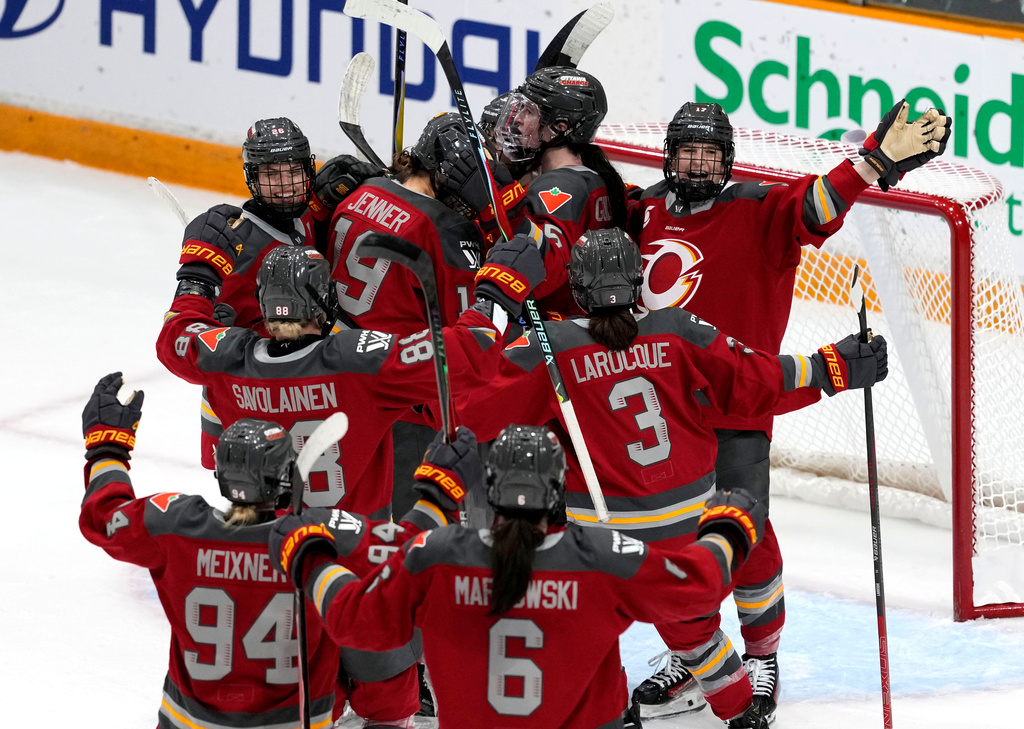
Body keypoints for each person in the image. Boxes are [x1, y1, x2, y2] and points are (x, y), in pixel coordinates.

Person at [451, 228, 888, 728]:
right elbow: (756, 381)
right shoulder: (676, 329)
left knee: (583, 638)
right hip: (689, 531)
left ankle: (603, 710)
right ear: (638, 281)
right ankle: (747, 705)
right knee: (704, 620)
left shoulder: (548, 348)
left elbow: (468, 406)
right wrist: (831, 367)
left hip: (600, 544)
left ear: (576, 287)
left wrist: (494, 302)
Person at [627, 99, 950, 723]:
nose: (696, 164)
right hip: (659, 410)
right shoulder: (643, 211)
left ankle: (760, 656)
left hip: (738, 404)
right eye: (687, 151)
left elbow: (816, 205)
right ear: (669, 154)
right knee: (668, 538)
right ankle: (695, 656)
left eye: (709, 153)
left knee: (743, 538)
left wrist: (873, 162)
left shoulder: (756, 209)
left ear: (728, 161)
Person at [268, 422, 770, 729]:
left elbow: (357, 621)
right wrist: (727, 530)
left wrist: (312, 557)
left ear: (489, 486)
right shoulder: (598, 556)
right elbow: (695, 588)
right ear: (556, 489)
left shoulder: (437, 556)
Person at [78, 376, 418, 728]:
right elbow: (414, 549)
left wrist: (107, 448)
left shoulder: (176, 525)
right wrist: (440, 489)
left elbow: (103, 517)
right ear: (286, 476)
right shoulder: (320, 538)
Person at [175, 116, 377, 468]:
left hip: (301, 389)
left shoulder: (303, 220)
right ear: (252, 178)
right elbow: (193, 335)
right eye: (271, 175)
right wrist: (215, 320)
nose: (285, 185)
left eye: (294, 172)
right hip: (245, 398)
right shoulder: (236, 241)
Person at [491, 66, 631, 316]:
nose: (518, 119)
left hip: (552, 331)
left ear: (559, 127)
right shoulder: (598, 178)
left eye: (529, 111)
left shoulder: (557, 187)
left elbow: (546, 274)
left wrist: (504, 210)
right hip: (582, 325)